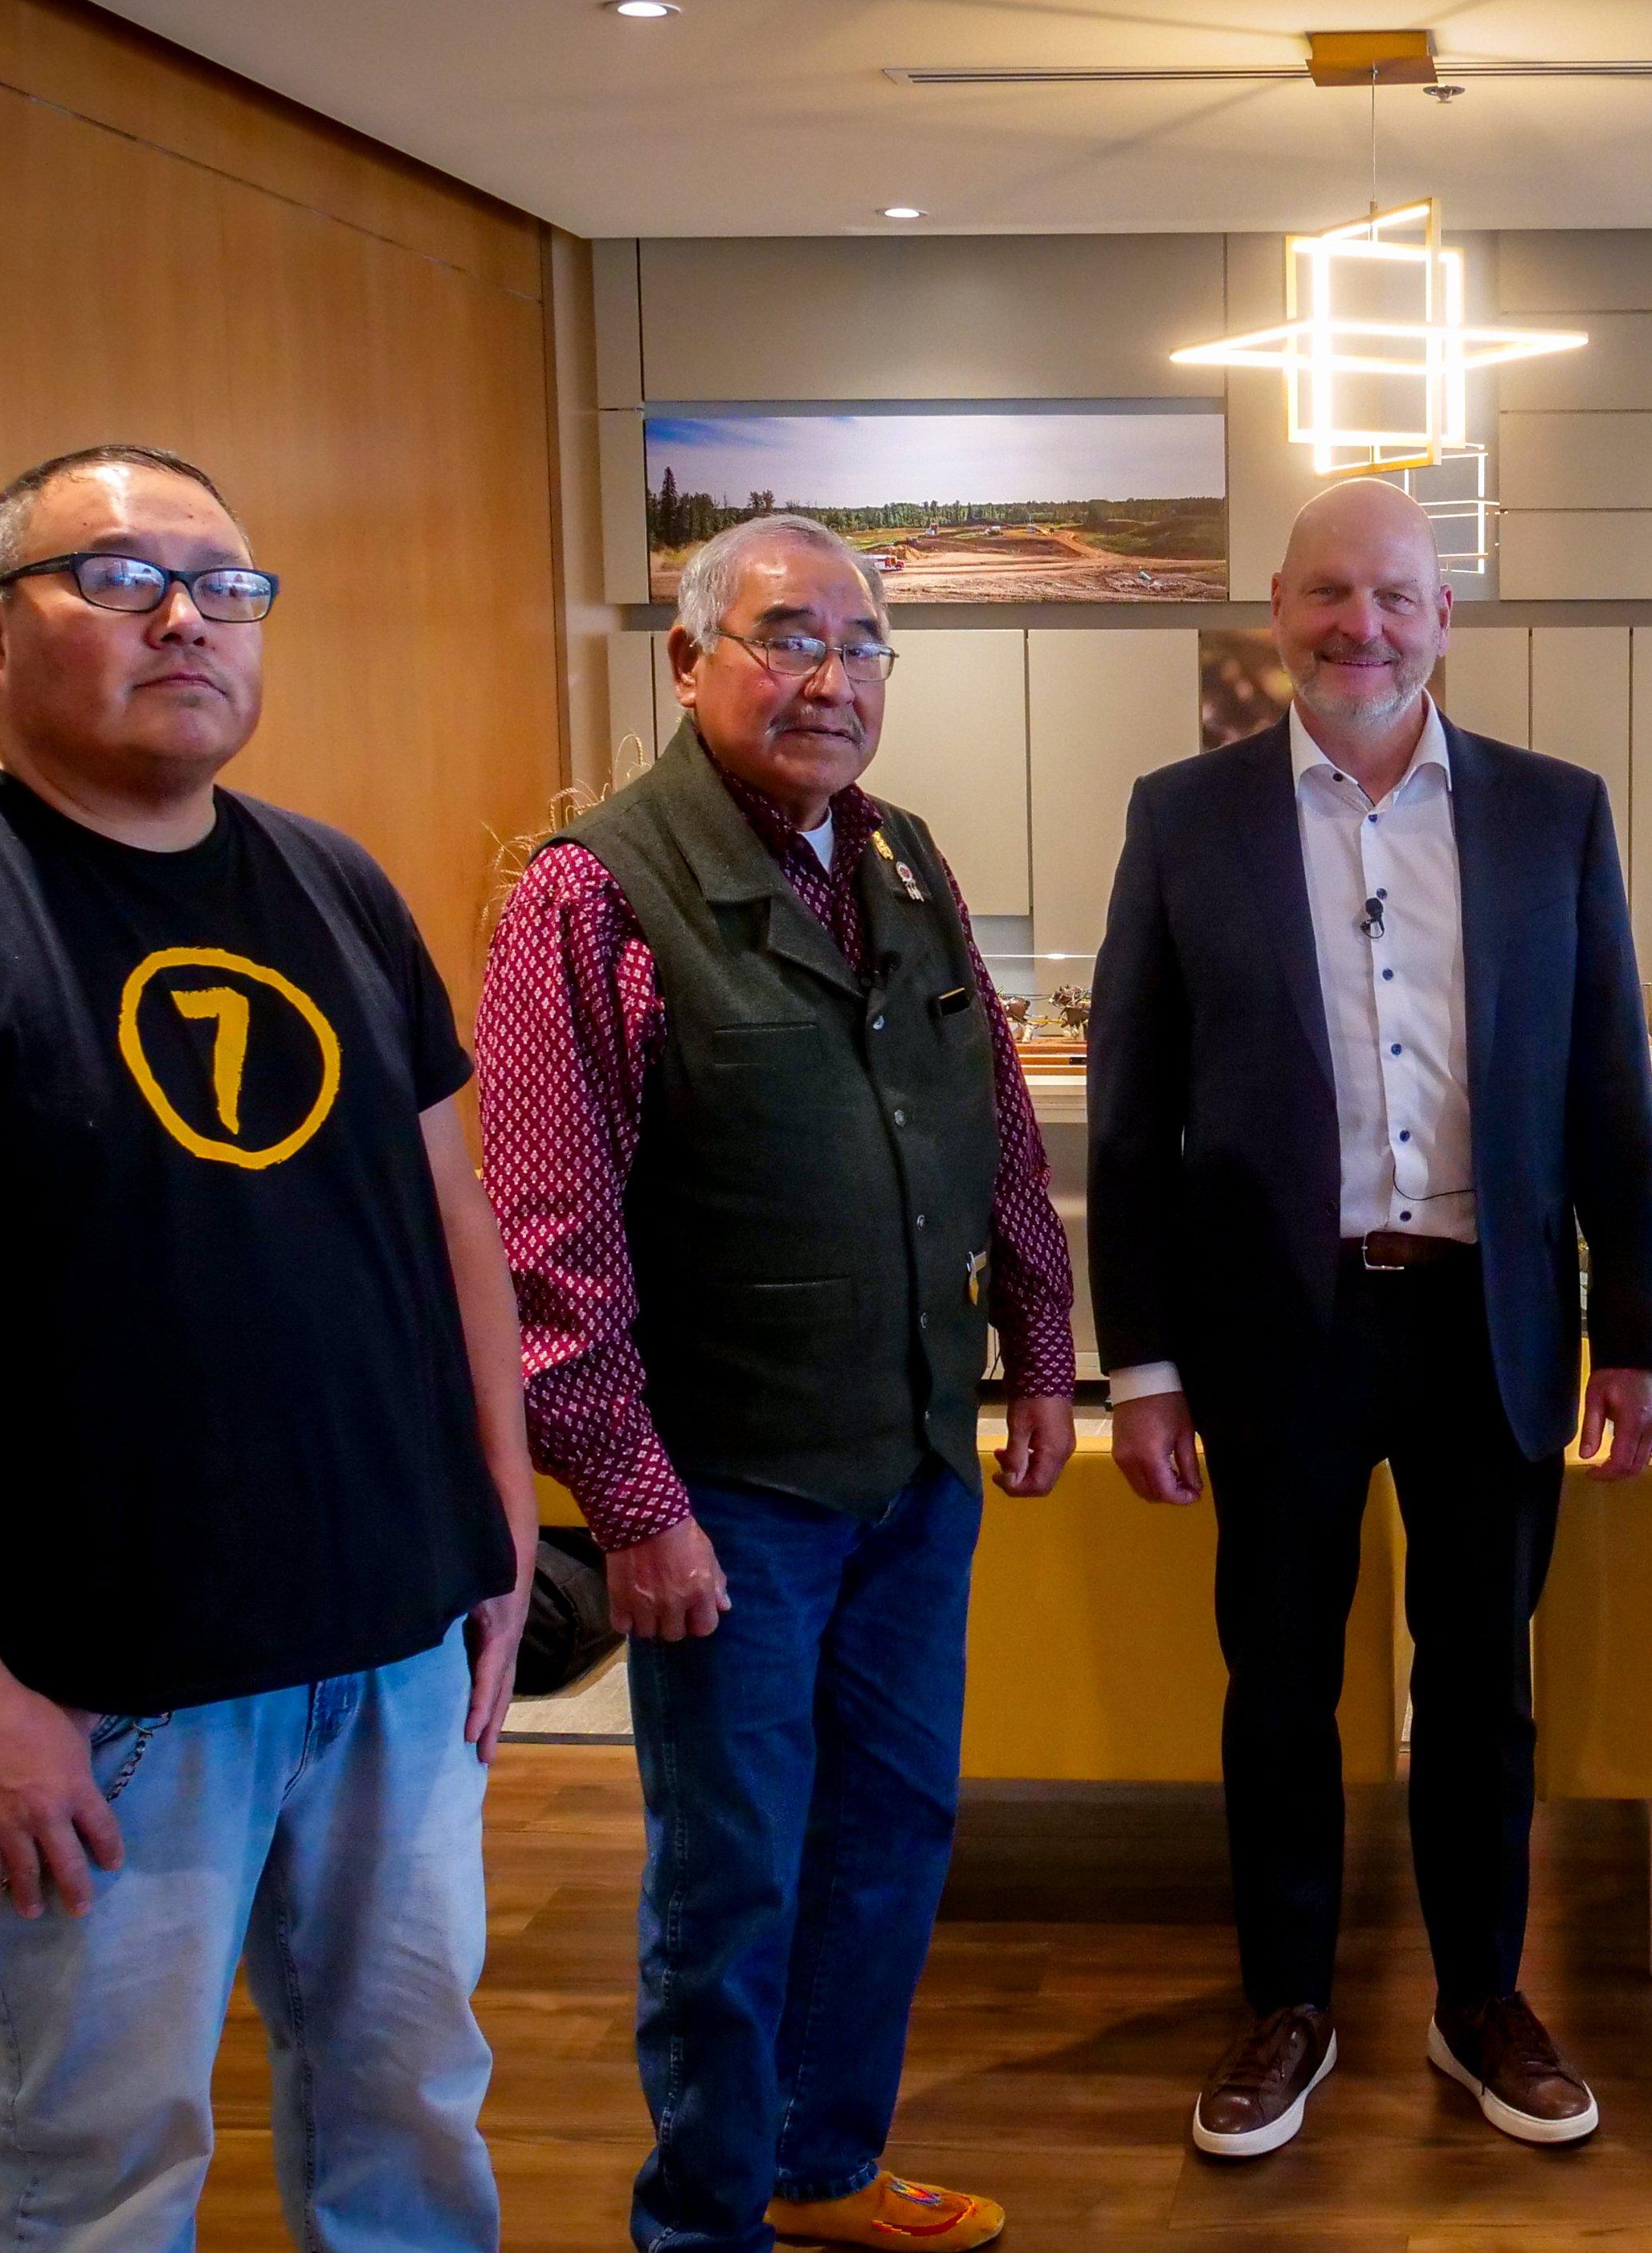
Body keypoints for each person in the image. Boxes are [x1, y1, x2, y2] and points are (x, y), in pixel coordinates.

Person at [0, 444, 534, 2251]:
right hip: (101, 1707)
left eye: (228, 585)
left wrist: (498, 1518)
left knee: (411, 2122)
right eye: (124, 575)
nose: (187, 616)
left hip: (390, 1656)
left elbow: (451, 1221)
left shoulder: (331, 883)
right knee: (97, 2167)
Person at [477, 512, 1073, 2253]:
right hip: (726, 1493)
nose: (833, 675)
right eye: (786, 636)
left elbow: (998, 1132)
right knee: (732, 1875)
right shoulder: (586, 897)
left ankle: (822, 2162)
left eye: (865, 641)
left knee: (892, 1830)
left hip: (909, 1463)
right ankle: (706, 2214)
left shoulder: (905, 862)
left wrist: (1038, 1340)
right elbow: (551, 1248)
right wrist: (636, 1507)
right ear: (687, 660)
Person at [1090, 479, 1652, 2160]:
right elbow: (1132, 1118)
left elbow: (1608, 1088)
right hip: (1280, 1328)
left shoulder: (1552, 812)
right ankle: (1287, 1999)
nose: (1362, 625)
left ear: (1443, 616)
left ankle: (1479, 1990)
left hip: (1490, 1319)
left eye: (1395, 596)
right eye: (1330, 594)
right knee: (1277, 1679)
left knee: (1484, 1680)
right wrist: (1145, 1365)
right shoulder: (1183, 817)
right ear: (1279, 609)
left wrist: (1629, 1329)